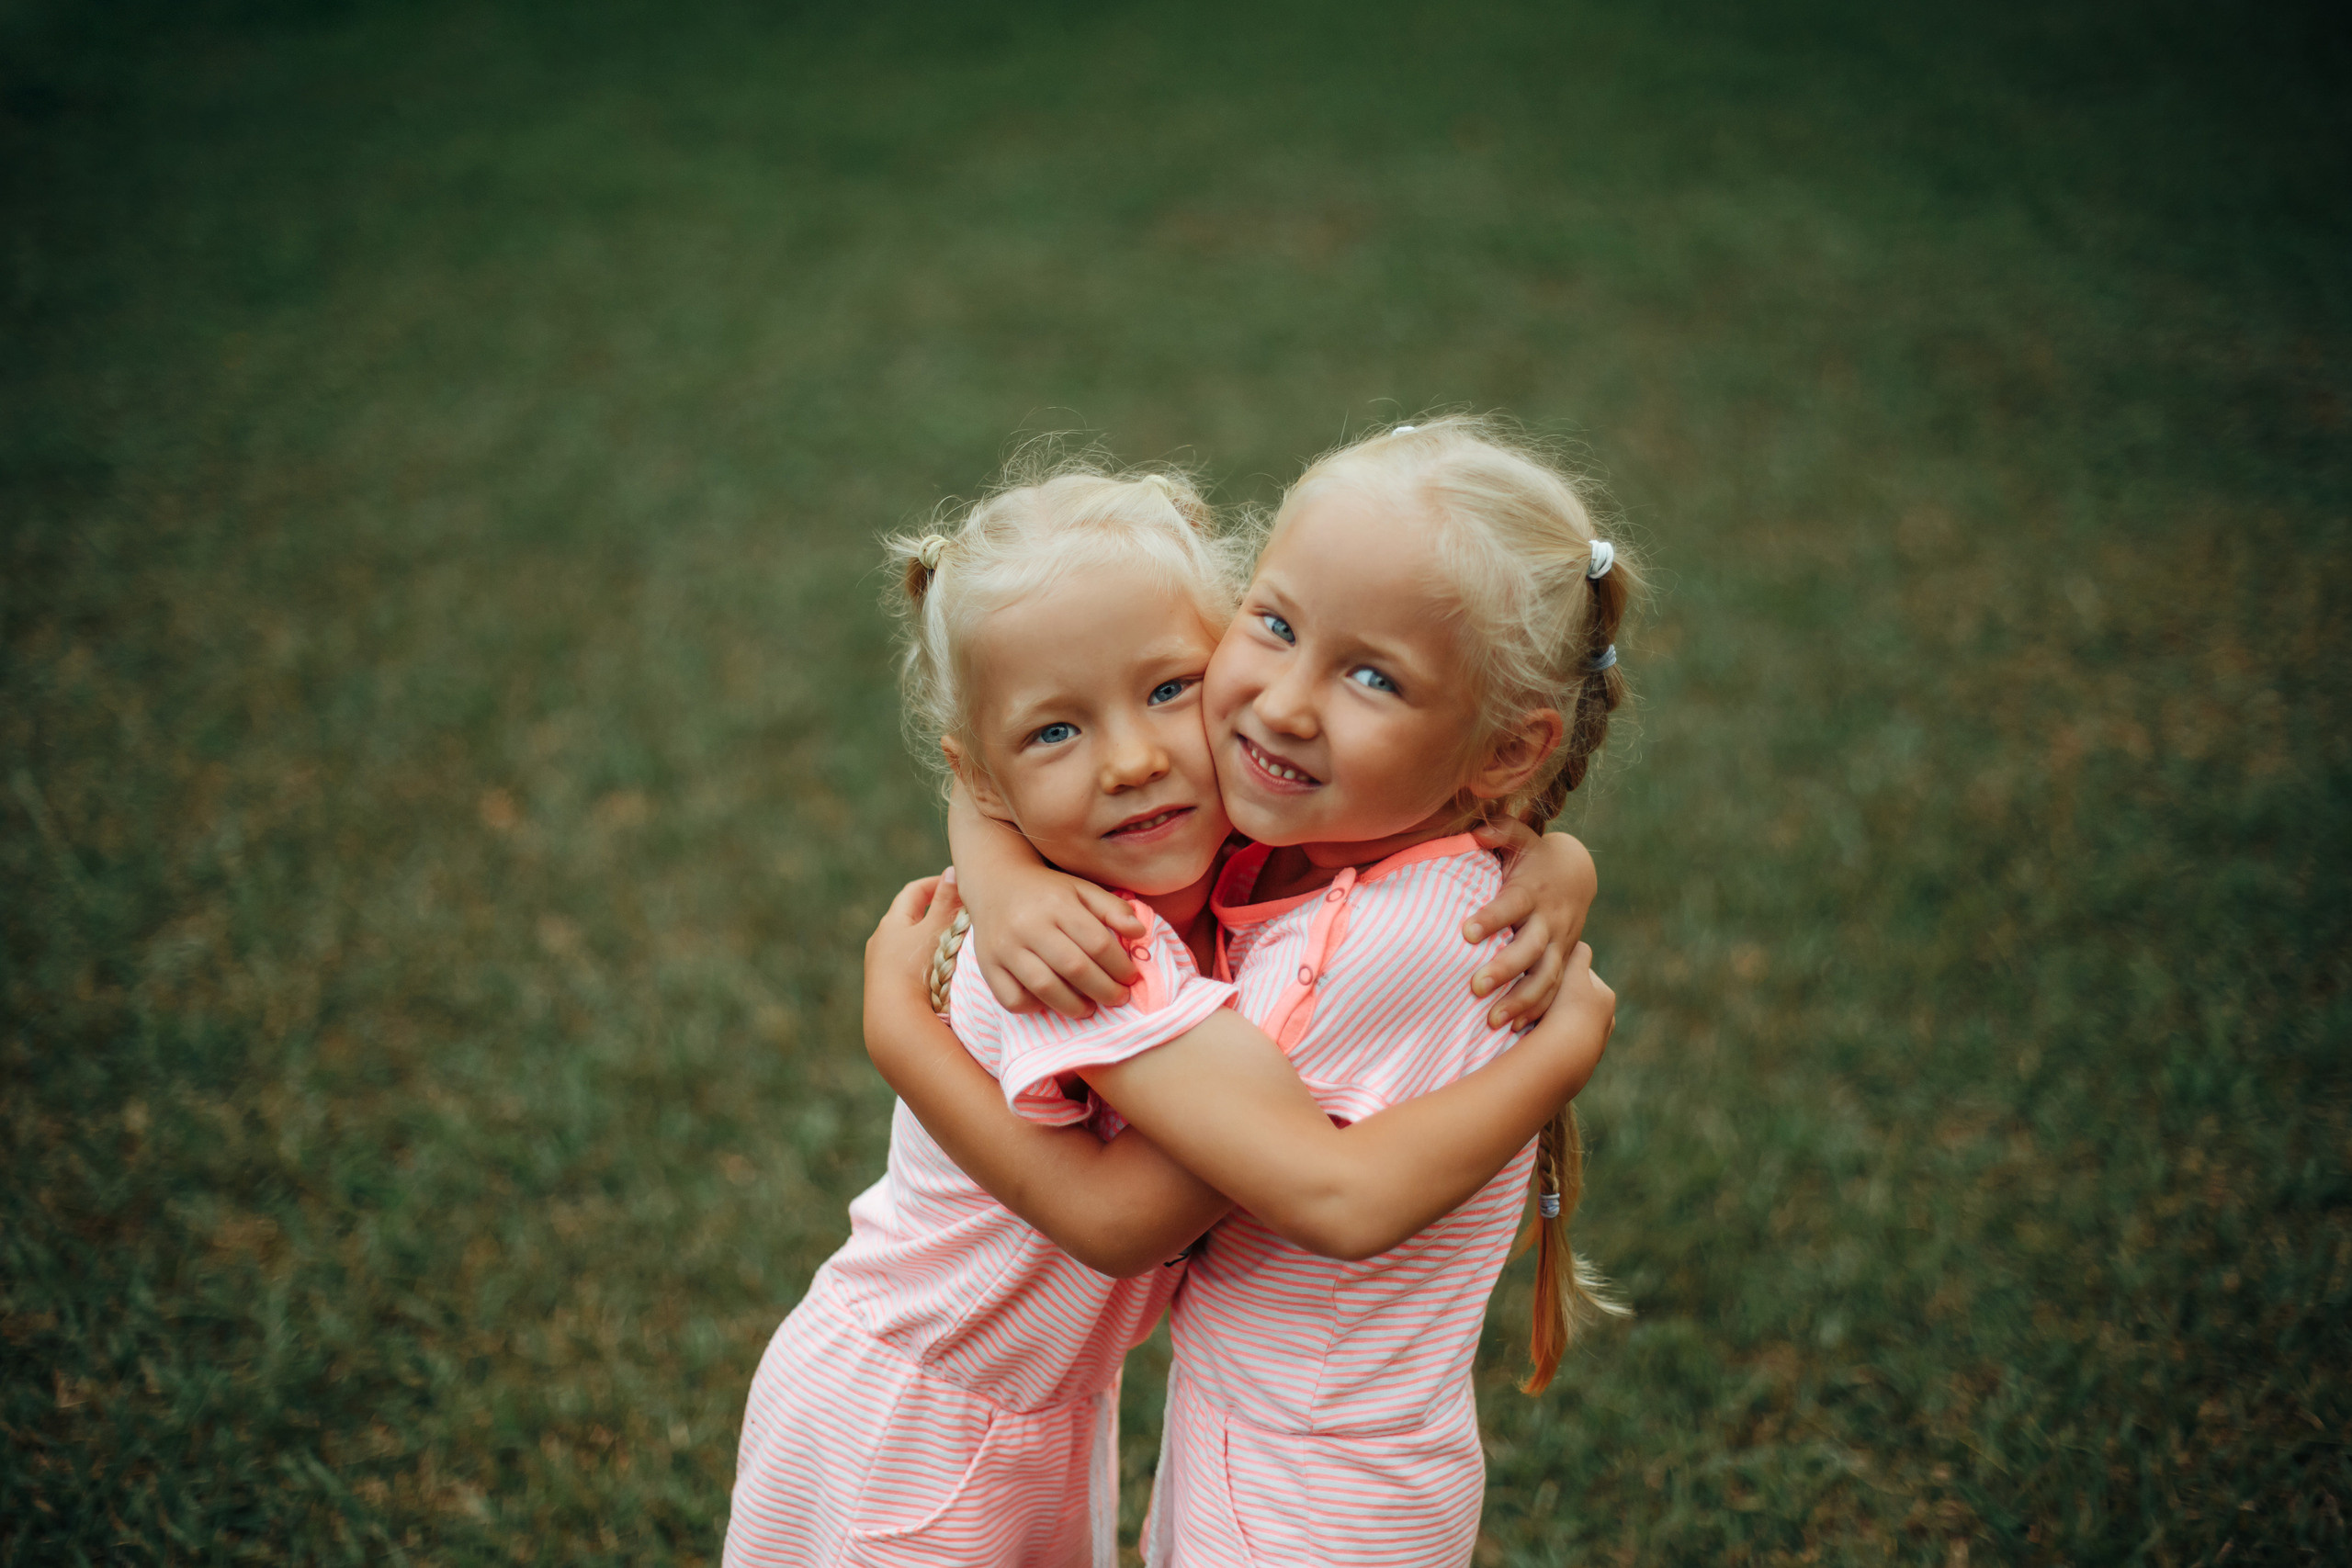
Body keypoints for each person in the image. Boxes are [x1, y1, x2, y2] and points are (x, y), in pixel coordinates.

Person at [727, 457, 1614, 1568]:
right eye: (1060, 734)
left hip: (1047, 1416)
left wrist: (1554, 851)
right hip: (908, 1412)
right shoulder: (1087, 946)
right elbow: (1124, 1224)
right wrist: (903, 1033)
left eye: (1169, 691)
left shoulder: (1233, 852)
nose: (1136, 761)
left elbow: (1008, 735)